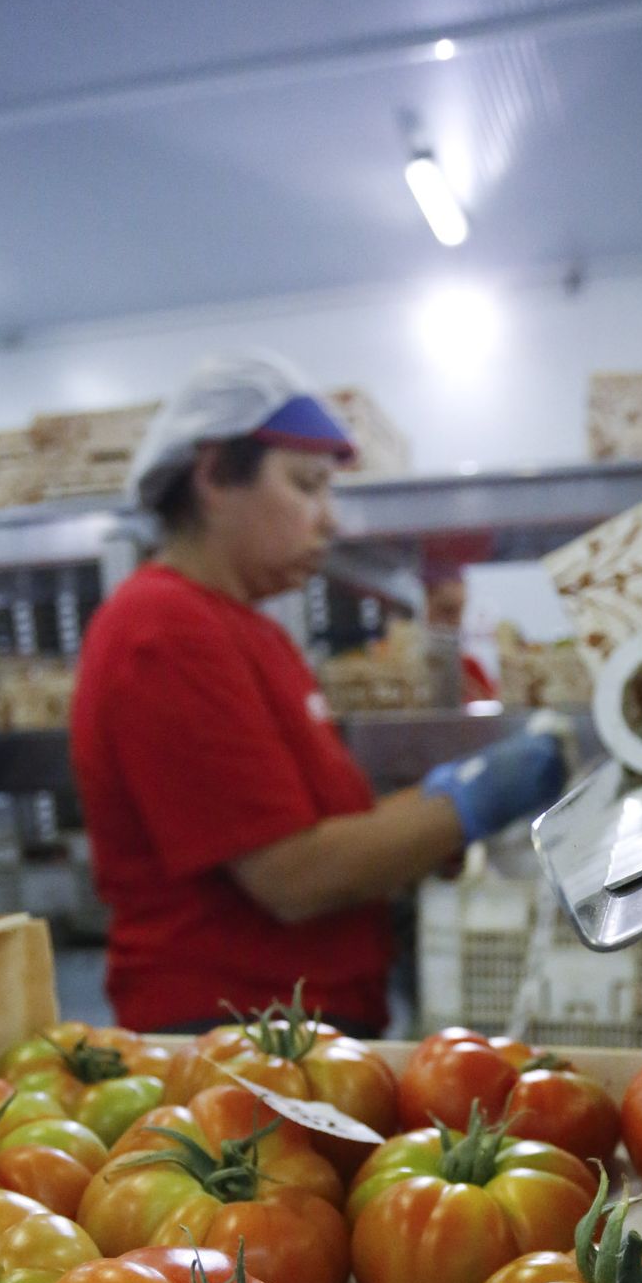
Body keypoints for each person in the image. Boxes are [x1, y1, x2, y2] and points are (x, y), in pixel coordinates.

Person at [71, 352, 567, 1033]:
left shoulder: (252, 632)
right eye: (307, 486)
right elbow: (295, 877)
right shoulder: (162, 629)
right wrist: (474, 800)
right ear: (214, 474)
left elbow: (324, 823)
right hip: (233, 1038)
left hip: (299, 1024)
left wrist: (432, 815)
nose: (329, 520)